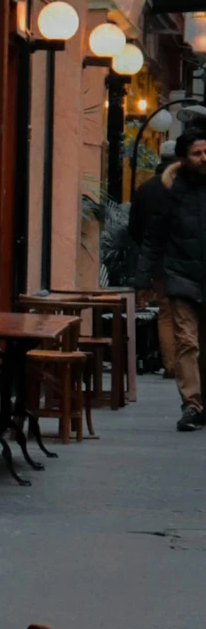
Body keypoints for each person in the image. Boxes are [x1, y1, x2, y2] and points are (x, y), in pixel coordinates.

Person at [137, 119, 206, 428]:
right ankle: (191, 404)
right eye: (197, 153)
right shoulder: (169, 193)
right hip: (181, 278)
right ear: (183, 159)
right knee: (187, 342)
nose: (204, 158)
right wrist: (142, 280)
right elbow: (153, 237)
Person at [130, 139, 178, 377]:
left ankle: (171, 366)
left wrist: (147, 254)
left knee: (166, 313)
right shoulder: (185, 186)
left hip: (158, 261)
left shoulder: (146, 188)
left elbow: (134, 227)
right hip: (187, 260)